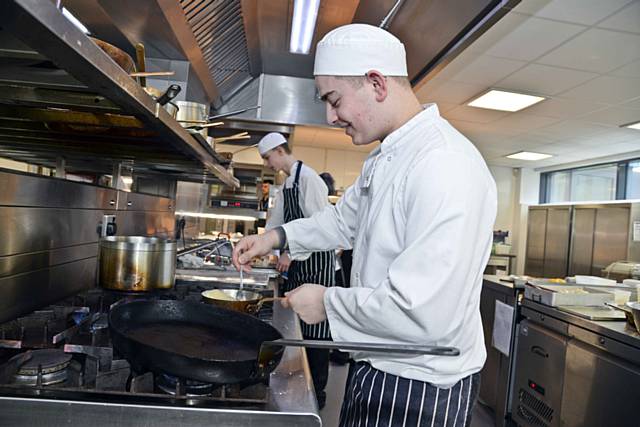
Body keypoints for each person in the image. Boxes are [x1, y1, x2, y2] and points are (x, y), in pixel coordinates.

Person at [234, 24, 497, 426]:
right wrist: (275, 236)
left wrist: (327, 303)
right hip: (377, 358)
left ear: (376, 83)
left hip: (419, 385)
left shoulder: (445, 165)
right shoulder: (387, 157)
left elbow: (421, 311)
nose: (331, 116)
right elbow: (342, 220)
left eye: (334, 100)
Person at [258, 132, 336, 409]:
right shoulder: (288, 181)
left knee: (316, 332)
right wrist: (261, 245)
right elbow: (277, 221)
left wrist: (291, 252)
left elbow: (322, 227)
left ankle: (319, 393)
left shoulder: (310, 179)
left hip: (316, 265)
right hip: (300, 265)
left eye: (267, 157)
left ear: (280, 150)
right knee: (299, 328)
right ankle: (305, 387)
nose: (267, 164)